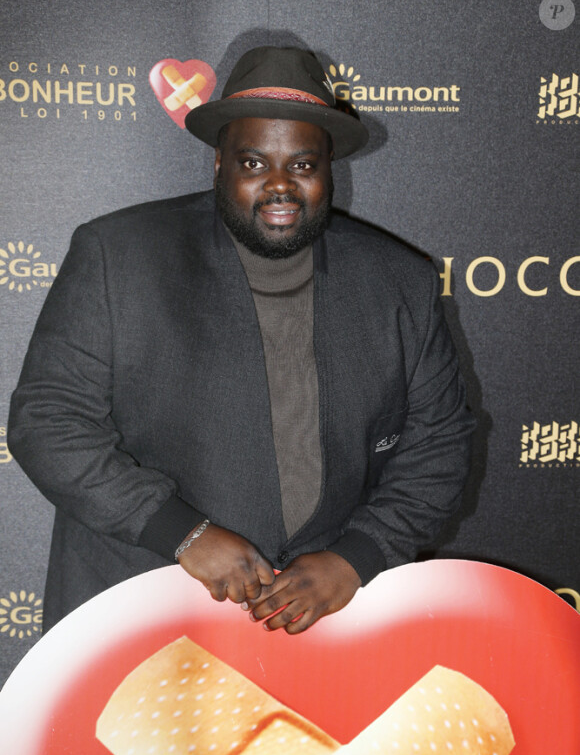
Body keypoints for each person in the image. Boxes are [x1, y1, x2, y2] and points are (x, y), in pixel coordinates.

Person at [8, 46, 474, 635]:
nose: (280, 185)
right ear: (219, 165)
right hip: (139, 608)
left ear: (329, 169)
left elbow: (440, 442)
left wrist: (359, 556)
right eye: (254, 164)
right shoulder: (119, 256)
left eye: (303, 165)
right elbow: (48, 422)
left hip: (324, 618)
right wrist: (180, 531)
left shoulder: (398, 279)